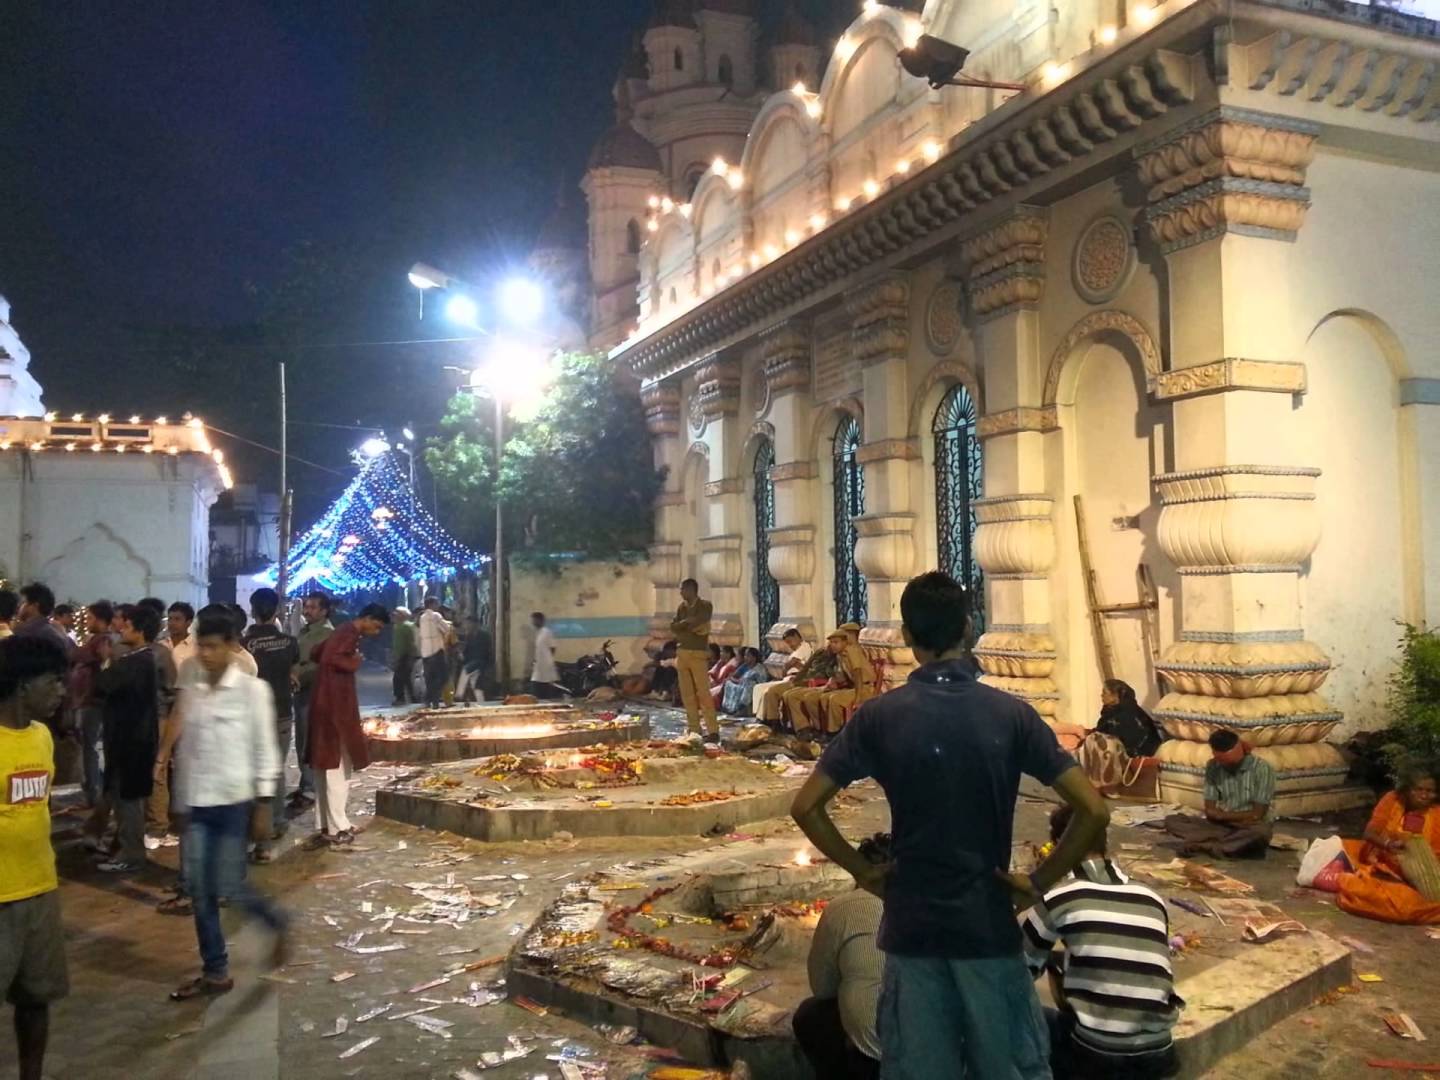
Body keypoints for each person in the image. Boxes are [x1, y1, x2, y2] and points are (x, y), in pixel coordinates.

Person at [791, 570, 1109, 1080]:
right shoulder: (1012, 715)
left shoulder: (879, 717)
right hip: (986, 925)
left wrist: (865, 872)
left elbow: (806, 807)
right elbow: (1094, 809)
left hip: (913, 927)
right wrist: (1037, 884)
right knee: (1005, 1065)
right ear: (967, 629)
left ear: (909, 638)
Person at [167, 611, 287, 1001]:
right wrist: (179, 801)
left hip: (235, 801)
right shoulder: (196, 690)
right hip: (199, 803)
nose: (206, 654)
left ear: (231, 646)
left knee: (229, 886)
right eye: (202, 646)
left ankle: (273, 920)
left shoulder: (253, 691)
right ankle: (216, 970)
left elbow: (265, 748)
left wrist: (264, 804)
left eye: (214, 646)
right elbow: (189, 750)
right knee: (201, 890)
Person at [1023, 805, 1183, 1079]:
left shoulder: (1060, 897)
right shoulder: (1151, 898)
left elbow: (1019, 972)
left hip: (1098, 1057)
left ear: (1059, 847)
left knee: (1022, 1012)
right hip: (1160, 1053)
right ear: (1104, 842)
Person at [0, 636, 70, 1080]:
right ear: (24, 685)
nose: (62, 691)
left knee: (36, 997)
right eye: (54, 682)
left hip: (40, 889)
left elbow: (39, 806)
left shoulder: (42, 737)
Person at [793, 833, 888, 1080]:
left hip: (879, 1057)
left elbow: (823, 989)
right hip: (947, 1051)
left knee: (812, 1016)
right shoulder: (936, 902)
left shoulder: (845, 907)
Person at [304, 604, 389, 848]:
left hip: (326, 706)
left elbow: (318, 652)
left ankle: (327, 824)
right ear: (369, 618)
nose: (376, 631)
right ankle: (337, 827)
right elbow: (332, 657)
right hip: (335, 710)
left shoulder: (342, 632)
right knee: (337, 769)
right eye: (377, 626)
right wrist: (354, 660)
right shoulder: (348, 633)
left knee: (326, 768)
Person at [90, 604, 164, 873]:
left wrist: (106, 659)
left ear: (140, 630)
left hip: (129, 743)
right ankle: (124, 848)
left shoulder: (136, 661)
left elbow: (102, 684)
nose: (121, 627)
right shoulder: (143, 659)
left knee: (127, 801)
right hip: (134, 740)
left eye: (127, 624)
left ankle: (131, 854)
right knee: (126, 799)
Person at [1332, 767, 1440, 924]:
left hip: (1423, 875)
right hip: (1385, 865)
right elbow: (1369, 833)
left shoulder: (1436, 812)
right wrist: (1389, 845)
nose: (1424, 795)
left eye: (1430, 791)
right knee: (1398, 905)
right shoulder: (1392, 800)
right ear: (1407, 789)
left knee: (1416, 904)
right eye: (1418, 789)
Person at [242, 589, 300, 864]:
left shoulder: (245, 644)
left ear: (253, 610)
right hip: (281, 712)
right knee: (275, 770)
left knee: (256, 773)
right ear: (276, 610)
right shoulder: (289, 642)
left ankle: (256, 829)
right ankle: (276, 821)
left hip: (253, 715)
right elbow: (292, 671)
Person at [1164, 730, 1275, 858]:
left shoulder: (1262, 768)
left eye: (1231, 763)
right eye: (1222, 761)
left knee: (1260, 833)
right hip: (1223, 826)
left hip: (1249, 827)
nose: (1226, 766)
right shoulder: (1213, 766)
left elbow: (1257, 815)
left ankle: (1206, 846)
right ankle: (1229, 846)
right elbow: (1210, 810)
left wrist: (1221, 816)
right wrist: (1223, 817)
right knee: (1173, 821)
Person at [290, 592, 333, 810]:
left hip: (314, 692)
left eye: (313, 607)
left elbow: (320, 665)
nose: (307, 611)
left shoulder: (326, 634)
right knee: (302, 739)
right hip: (301, 692)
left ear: (324, 611)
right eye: (306, 607)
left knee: (309, 741)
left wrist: (299, 675)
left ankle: (310, 787)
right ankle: (305, 783)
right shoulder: (306, 631)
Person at [71, 601, 114, 806]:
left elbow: (105, 664)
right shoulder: (96, 639)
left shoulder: (102, 640)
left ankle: (95, 794)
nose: (86, 621)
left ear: (100, 619)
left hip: (94, 702)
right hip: (89, 701)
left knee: (91, 749)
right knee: (89, 748)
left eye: (89, 618)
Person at [671, 579, 719, 743]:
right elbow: (674, 627)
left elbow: (700, 621)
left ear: (692, 589)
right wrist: (686, 625)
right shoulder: (681, 607)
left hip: (698, 653)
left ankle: (712, 730)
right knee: (687, 694)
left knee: (703, 694)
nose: (681, 593)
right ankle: (694, 729)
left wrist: (684, 626)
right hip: (682, 652)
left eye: (683, 589)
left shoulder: (705, 605)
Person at [760, 637, 840, 728]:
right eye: (830, 642)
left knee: (790, 695)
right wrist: (797, 677)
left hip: (814, 683)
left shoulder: (837, 658)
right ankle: (773, 721)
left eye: (834, 642)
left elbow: (833, 675)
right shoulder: (820, 653)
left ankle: (802, 728)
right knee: (772, 691)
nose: (830, 645)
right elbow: (807, 666)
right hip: (801, 679)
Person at [751, 628, 815, 716]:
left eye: (790, 641)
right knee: (758, 688)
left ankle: (768, 716)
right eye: (787, 643)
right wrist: (787, 668)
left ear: (796, 637)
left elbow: (790, 664)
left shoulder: (804, 646)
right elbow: (787, 668)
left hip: (795, 679)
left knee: (766, 690)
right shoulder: (796, 651)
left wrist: (787, 667)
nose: (789, 645)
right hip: (788, 678)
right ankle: (760, 714)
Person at [1095, 679, 1164, 758]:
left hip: (1140, 757)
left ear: (1115, 695)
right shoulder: (1112, 712)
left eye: (1104, 692)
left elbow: (1132, 741)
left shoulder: (1126, 714)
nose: (1101, 695)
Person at [15, 584, 73, 659]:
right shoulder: (57, 632)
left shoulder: (25, 633)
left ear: (35, 606)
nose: (19, 607)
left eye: (23, 602)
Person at [416, 596, 452, 708]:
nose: (438, 606)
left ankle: (432, 701)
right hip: (437, 651)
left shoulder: (422, 617)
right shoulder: (436, 616)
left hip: (425, 652)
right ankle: (430, 698)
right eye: (436, 604)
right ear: (431, 605)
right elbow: (446, 629)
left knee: (430, 678)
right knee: (442, 677)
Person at [721, 647, 767, 716]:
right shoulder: (745, 666)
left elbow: (759, 680)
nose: (745, 657)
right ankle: (729, 708)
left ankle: (741, 709)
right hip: (742, 685)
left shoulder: (759, 668)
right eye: (745, 655)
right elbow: (735, 676)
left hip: (754, 687)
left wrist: (735, 680)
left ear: (754, 658)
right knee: (728, 683)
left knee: (749, 685)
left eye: (748, 655)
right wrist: (733, 679)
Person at [457, 617, 492, 704]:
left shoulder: (484, 635)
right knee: (476, 686)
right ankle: (482, 703)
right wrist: (461, 655)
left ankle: (459, 694)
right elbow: (467, 651)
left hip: (481, 661)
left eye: (469, 623)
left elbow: (487, 651)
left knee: (465, 670)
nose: (467, 626)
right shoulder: (469, 636)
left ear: (475, 624)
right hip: (472, 662)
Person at [529, 612, 561, 699]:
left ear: (540, 620)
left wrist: (547, 659)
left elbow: (552, 647)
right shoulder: (538, 633)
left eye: (534, 620)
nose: (533, 622)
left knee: (543, 689)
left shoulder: (547, 632)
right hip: (539, 666)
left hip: (546, 666)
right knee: (537, 687)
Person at [390, 607, 417, 706]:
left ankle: (401, 698)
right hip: (400, 655)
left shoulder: (406, 626)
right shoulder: (397, 626)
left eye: (397, 613)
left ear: (402, 615)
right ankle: (412, 697)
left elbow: (411, 642)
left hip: (405, 655)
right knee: (405, 678)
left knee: (398, 678)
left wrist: (411, 656)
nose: (394, 615)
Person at [165, 602, 196, 668]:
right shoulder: (161, 644)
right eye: (170, 619)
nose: (172, 623)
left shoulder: (196, 646)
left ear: (189, 622)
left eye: (177, 619)